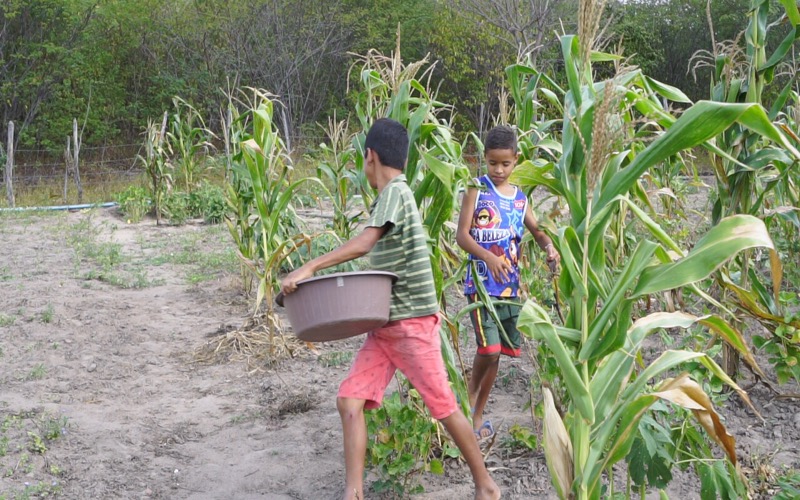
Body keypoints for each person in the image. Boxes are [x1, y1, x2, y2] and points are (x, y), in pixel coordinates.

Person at [281, 118, 500, 500]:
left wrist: (310, 266)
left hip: (412, 325)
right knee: (349, 400)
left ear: (370, 157)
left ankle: (486, 487)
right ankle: (354, 493)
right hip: (385, 329)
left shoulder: (396, 191)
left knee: (444, 407)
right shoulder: (391, 196)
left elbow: (365, 243)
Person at [456, 125, 560, 440]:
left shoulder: (519, 198)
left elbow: (537, 230)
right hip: (481, 287)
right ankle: (467, 401)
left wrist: (550, 248)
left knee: (498, 352)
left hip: (509, 289)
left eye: (505, 163)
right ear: (483, 160)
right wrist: (488, 257)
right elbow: (462, 236)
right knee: (487, 349)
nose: (498, 170)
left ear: (516, 159)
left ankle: (476, 414)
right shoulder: (476, 189)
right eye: (492, 163)